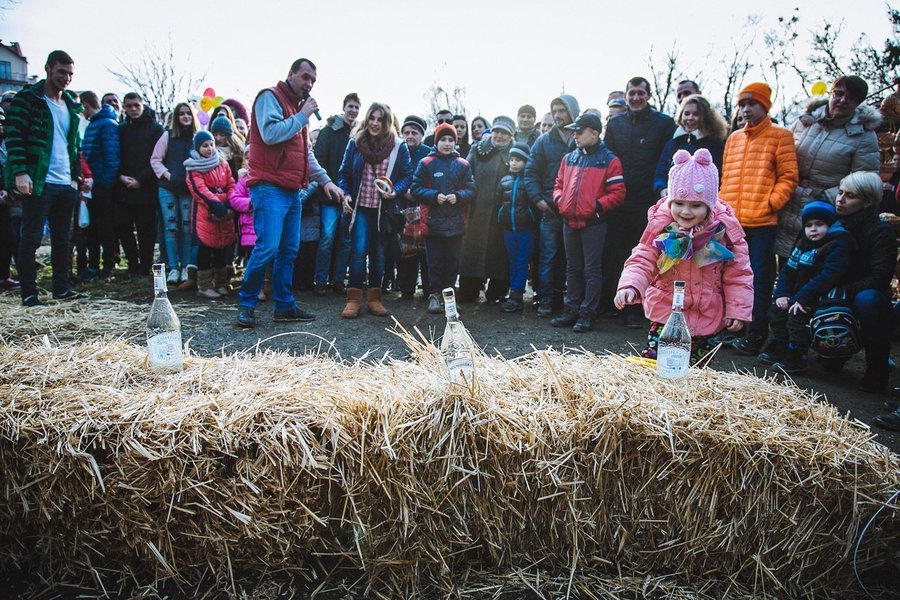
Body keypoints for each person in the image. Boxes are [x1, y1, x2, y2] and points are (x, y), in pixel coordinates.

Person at [615, 148, 752, 362]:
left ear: (709, 204)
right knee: (656, 367)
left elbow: (739, 274)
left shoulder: (724, 233)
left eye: (696, 206)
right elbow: (643, 258)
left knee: (695, 376)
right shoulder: (661, 227)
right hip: (666, 317)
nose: (686, 212)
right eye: (679, 203)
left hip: (707, 318)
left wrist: (738, 310)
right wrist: (630, 285)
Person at [236, 57, 343, 329]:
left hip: (293, 190)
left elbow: (306, 154)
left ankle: (284, 305)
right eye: (305, 77)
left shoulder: (299, 112)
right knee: (267, 248)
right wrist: (303, 115)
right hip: (269, 187)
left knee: (289, 250)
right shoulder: (269, 98)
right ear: (291, 74)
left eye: (313, 81)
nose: (309, 84)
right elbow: (270, 134)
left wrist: (326, 181)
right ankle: (247, 304)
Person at [723, 83, 799, 355]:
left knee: (758, 279)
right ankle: (732, 330)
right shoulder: (733, 139)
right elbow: (726, 178)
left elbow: (789, 176)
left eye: (751, 104)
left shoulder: (781, 136)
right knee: (728, 277)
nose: (745, 109)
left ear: (764, 106)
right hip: (732, 223)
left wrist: (771, 203)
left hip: (762, 224)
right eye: (742, 104)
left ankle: (756, 334)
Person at [6, 50, 85, 306]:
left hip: (65, 184)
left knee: (63, 239)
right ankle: (29, 293)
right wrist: (20, 172)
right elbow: (14, 136)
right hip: (39, 181)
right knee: (31, 239)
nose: (67, 78)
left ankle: (61, 289)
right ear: (49, 69)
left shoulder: (71, 106)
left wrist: (75, 178)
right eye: (62, 72)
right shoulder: (28, 99)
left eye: (71, 74)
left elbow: (74, 145)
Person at [774, 75, 881, 260]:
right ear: (830, 93)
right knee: (783, 263)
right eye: (838, 93)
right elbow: (782, 155)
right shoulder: (805, 122)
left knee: (811, 264)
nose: (842, 100)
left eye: (851, 97)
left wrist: (827, 196)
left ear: (858, 102)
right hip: (788, 200)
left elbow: (864, 180)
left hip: (823, 209)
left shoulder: (864, 135)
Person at [602, 77, 677, 328]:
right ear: (625, 95)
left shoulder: (664, 124)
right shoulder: (615, 124)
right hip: (618, 200)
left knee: (646, 255)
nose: (635, 98)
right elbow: (607, 158)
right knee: (617, 253)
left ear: (648, 96)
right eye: (631, 93)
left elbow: (667, 160)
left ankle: (638, 310)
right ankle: (616, 304)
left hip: (648, 202)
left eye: (640, 93)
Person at [548, 113, 626, 332]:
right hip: (569, 221)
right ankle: (571, 309)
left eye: (579, 132)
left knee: (592, 269)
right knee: (572, 267)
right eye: (574, 132)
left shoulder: (609, 160)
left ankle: (587, 313)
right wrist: (559, 200)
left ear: (594, 133)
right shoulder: (569, 158)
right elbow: (558, 184)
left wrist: (596, 207)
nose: (575, 136)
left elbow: (618, 192)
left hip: (594, 224)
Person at [758, 200, 853, 374]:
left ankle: (796, 356)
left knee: (796, 318)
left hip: (824, 297)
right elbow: (788, 272)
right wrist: (782, 294)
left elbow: (826, 278)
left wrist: (800, 298)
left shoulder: (836, 245)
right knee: (776, 311)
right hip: (799, 295)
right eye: (808, 225)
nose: (813, 229)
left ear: (830, 225)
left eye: (819, 224)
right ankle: (781, 347)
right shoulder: (802, 244)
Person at [337, 102, 412, 318]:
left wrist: (395, 191)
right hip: (360, 207)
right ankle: (353, 299)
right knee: (359, 251)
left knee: (378, 254)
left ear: (388, 123)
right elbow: (343, 173)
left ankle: (374, 299)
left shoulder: (398, 146)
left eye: (380, 119)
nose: (375, 123)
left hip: (383, 209)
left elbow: (407, 175)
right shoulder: (355, 142)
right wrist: (346, 193)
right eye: (372, 118)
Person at [830, 172, 896, 396]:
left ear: (867, 201)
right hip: (831, 291)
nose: (841, 199)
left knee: (868, 300)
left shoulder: (880, 232)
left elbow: (879, 277)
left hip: (862, 296)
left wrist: (842, 291)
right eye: (840, 193)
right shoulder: (829, 224)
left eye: (850, 196)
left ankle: (877, 370)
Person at [411, 122, 476, 314]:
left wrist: (459, 197)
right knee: (435, 262)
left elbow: (472, 189)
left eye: (451, 140)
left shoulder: (463, 164)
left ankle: (449, 297)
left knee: (453, 262)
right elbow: (415, 188)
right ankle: (434, 295)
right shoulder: (426, 163)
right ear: (436, 141)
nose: (447, 143)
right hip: (433, 223)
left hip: (456, 223)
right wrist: (433, 196)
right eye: (443, 140)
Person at [525, 94, 580, 317]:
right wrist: (538, 200)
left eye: (562, 110)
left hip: (578, 212)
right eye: (554, 110)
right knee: (548, 256)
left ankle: (570, 301)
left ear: (572, 112)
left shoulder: (582, 137)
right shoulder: (544, 141)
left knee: (573, 260)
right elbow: (530, 172)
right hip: (550, 210)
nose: (557, 115)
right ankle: (546, 299)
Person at [312, 92, 360, 295]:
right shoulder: (329, 131)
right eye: (350, 106)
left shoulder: (359, 134)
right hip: (330, 195)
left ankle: (339, 279)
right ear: (344, 107)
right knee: (327, 238)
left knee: (345, 240)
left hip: (350, 197)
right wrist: (329, 185)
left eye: (357, 107)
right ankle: (320, 280)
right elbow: (319, 159)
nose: (353, 110)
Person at [150, 102, 199, 286]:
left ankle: (186, 267)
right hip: (168, 187)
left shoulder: (197, 138)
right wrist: (168, 174)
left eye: (188, 113)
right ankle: (173, 267)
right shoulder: (167, 136)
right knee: (171, 226)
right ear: (176, 117)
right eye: (181, 114)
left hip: (188, 189)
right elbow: (155, 159)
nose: (185, 117)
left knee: (187, 227)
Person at [117, 92, 164, 277]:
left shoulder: (155, 129)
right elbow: (115, 155)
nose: (133, 109)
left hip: (146, 187)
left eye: (136, 105)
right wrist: (121, 176)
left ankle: (145, 266)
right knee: (123, 226)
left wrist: (141, 180)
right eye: (129, 106)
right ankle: (133, 264)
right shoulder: (121, 129)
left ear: (143, 105)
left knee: (146, 230)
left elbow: (158, 158)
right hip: (124, 187)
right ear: (124, 108)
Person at [184, 130, 236, 299]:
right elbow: (199, 189)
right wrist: (216, 205)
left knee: (221, 247)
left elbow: (231, 183)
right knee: (205, 249)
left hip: (224, 211)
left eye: (211, 144)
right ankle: (204, 286)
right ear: (198, 148)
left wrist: (229, 202)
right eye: (205, 146)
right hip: (207, 213)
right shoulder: (193, 167)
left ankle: (221, 283)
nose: (209, 148)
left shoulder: (222, 162)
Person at [653, 94, 727, 198]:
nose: (690, 118)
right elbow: (661, 171)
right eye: (686, 113)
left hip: (701, 202)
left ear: (706, 117)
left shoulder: (715, 143)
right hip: (672, 201)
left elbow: (717, 175)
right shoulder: (672, 142)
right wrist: (662, 189)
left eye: (696, 114)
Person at [80, 90, 120, 280]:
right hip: (91, 185)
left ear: (86, 105)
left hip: (103, 186)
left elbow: (112, 158)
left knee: (105, 228)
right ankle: (93, 266)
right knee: (92, 228)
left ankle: (108, 267)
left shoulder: (107, 125)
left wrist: (103, 184)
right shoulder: (95, 124)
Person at [497, 142, 537, 313]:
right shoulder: (504, 180)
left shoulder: (529, 181)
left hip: (525, 229)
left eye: (518, 160)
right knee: (512, 261)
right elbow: (499, 201)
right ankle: (513, 292)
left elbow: (534, 202)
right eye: (512, 159)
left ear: (525, 162)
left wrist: (531, 218)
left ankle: (517, 296)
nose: (514, 163)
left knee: (522, 262)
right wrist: (501, 215)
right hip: (509, 230)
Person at [396, 115, 432, 300]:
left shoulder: (430, 153)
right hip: (403, 205)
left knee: (426, 250)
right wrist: (403, 191)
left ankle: (428, 288)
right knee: (406, 248)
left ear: (421, 135)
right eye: (407, 132)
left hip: (425, 206)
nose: (410, 136)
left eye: (414, 132)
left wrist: (418, 193)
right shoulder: (397, 151)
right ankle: (406, 287)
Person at [210, 116, 244, 181]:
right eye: (215, 134)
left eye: (222, 135)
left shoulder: (239, 152)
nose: (218, 138)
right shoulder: (210, 153)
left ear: (229, 136)